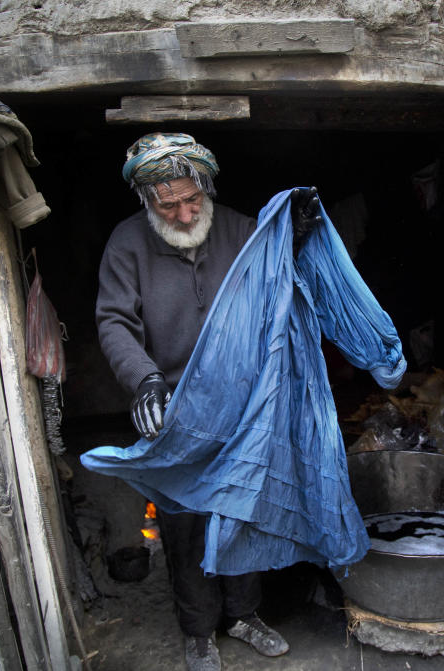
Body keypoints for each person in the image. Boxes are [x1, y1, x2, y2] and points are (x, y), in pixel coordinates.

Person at [95, 132, 321, 671]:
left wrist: (295, 240)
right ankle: (198, 630)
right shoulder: (127, 245)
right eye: (167, 204)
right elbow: (114, 321)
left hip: (242, 406)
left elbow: (278, 282)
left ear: (206, 187)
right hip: (174, 408)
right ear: (146, 201)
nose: (182, 213)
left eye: (191, 199)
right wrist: (144, 380)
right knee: (184, 519)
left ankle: (243, 615)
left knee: (243, 512)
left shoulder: (241, 229)